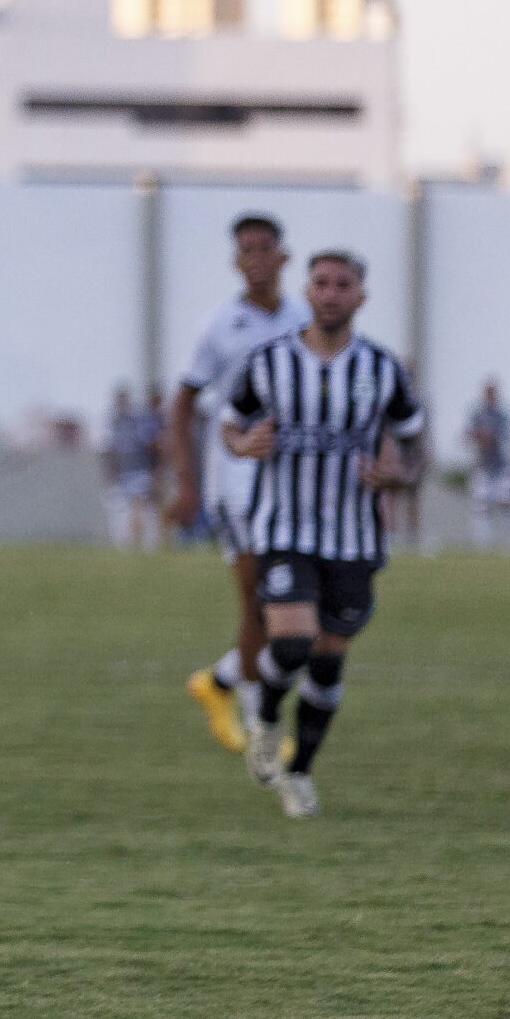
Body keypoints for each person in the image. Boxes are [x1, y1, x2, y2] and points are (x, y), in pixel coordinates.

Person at [217, 251, 426, 819]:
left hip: (354, 538)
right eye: (321, 283)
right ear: (306, 292)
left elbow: (414, 438)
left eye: (344, 284)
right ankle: (263, 721)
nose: (331, 293)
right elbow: (229, 422)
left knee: (329, 661)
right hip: (283, 528)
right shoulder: (270, 362)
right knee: (290, 643)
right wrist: (243, 445)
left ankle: (300, 772)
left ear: (361, 296)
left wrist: (397, 476)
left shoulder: (383, 369)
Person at [170, 213, 308, 757]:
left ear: (283, 257)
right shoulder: (219, 326)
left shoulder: (303, 317)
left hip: (290, 481)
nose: (254, 259)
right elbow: (182, 406)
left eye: (263, 248)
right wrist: (187, 484)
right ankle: (260, 727)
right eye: (244, 250)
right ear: (235, 262)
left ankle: (221, 683)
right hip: (236, 478)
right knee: (259, 602)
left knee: (292, 605)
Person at [465, 379, 510, 552]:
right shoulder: (477, 414)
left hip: (502, 466)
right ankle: (483, 544)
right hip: (483, 466)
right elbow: (468, 435)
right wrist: (478, 437)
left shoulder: (503, 415)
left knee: (507, 502)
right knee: (481, 505)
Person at [102, 383, 163, 551]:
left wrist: (153, 470)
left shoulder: (137, 422)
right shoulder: (114, 423)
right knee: (123, 510)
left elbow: (150, 446)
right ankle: (128, 544)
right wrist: (110, 472)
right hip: (122, 473)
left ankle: (148, 545)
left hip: (139, 471)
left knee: (143, 508)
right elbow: (110, 450)